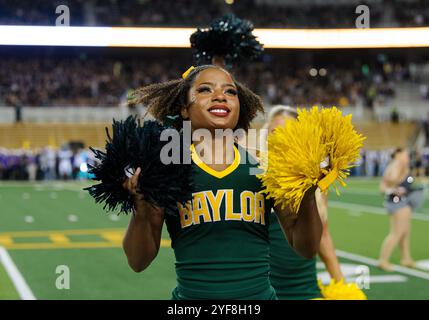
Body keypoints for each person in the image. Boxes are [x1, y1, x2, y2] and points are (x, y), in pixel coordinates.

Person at [121, 65, 323, 299]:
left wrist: (309, 193)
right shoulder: (165, 170)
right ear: (184, 109)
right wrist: (141, 210)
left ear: (239, 106)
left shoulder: (266, 166)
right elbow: (138, 261)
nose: (220, 96)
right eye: (205, 90)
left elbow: (306, 249)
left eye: (230, 92)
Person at [261, 105, 350, 299]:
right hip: (262, 291)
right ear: (265, 136)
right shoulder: (253, 175)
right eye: (275, 132)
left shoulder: (313, 181)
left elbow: (324, 236)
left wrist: (343, 288)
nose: (281, 138)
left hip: (305, 290)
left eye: (289, 132)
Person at [378, 148, 422, 271]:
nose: (407, 156)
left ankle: (406, 258)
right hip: (399, 203)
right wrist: (395, 187)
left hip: (403, 202)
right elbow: (388, 184)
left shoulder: (396, 166)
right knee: (396, 233)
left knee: (405, 233)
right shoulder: (396, 166)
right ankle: (383, 260)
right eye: (405, 154)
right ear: (398, 155)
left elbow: (384, 186)